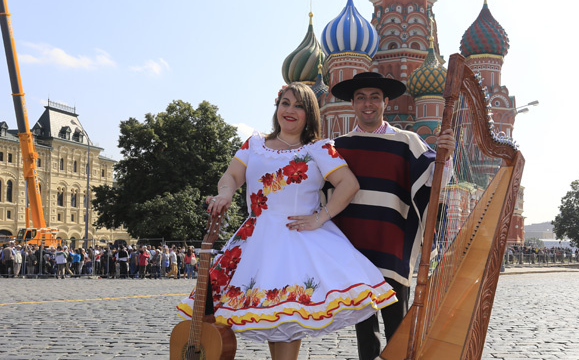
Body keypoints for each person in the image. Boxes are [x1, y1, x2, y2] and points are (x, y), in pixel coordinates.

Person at [177, 82, 398, 360]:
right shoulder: (254, 144)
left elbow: (348, 184)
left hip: (297, 240)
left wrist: (320, 217)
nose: (290, 111)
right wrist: (224, 194)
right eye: (285, 103)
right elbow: (231, 176)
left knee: (288, 318)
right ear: (277, 106)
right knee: (274, 320)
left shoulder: (318, 149)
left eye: (299, 106)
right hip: (255, 241)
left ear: (309, 114)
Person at [329, 72, 456, 360]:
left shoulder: (407, 141)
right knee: (365, 330)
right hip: (354, 252)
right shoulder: (339, 146)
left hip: (394, 248)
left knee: (397, 328)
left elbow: (438, 179)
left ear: (386, 102)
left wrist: (445, 154)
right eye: (360, 98)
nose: (368, 104)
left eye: (375, 97)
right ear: (352, 104)